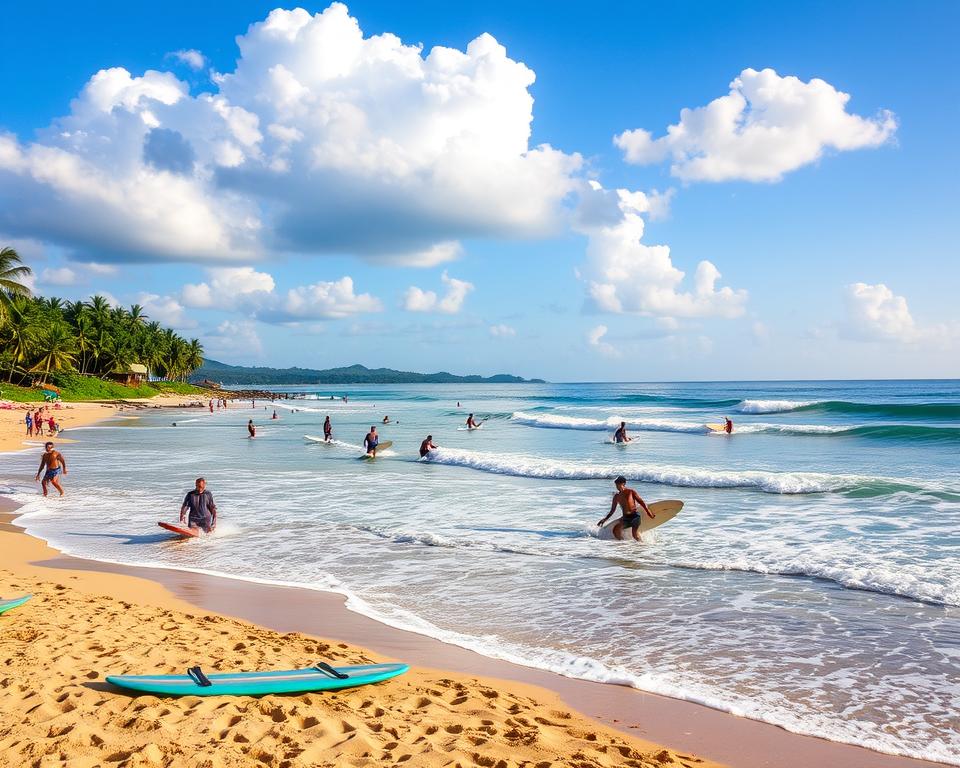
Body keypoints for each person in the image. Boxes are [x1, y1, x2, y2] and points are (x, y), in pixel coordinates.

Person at [597, 476, 653, 541]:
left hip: (635, 516)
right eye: (616, 485)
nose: (617, 487)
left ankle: (642, 545)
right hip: (626, 518)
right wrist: (604, 519)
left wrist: (648, 512)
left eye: (618, 484)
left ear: (623, 484)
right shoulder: (616, 496)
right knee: (616, 530)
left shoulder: (631, 492)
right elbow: (612, 510)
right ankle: (624, 545)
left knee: (634, 534)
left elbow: (641, 502)